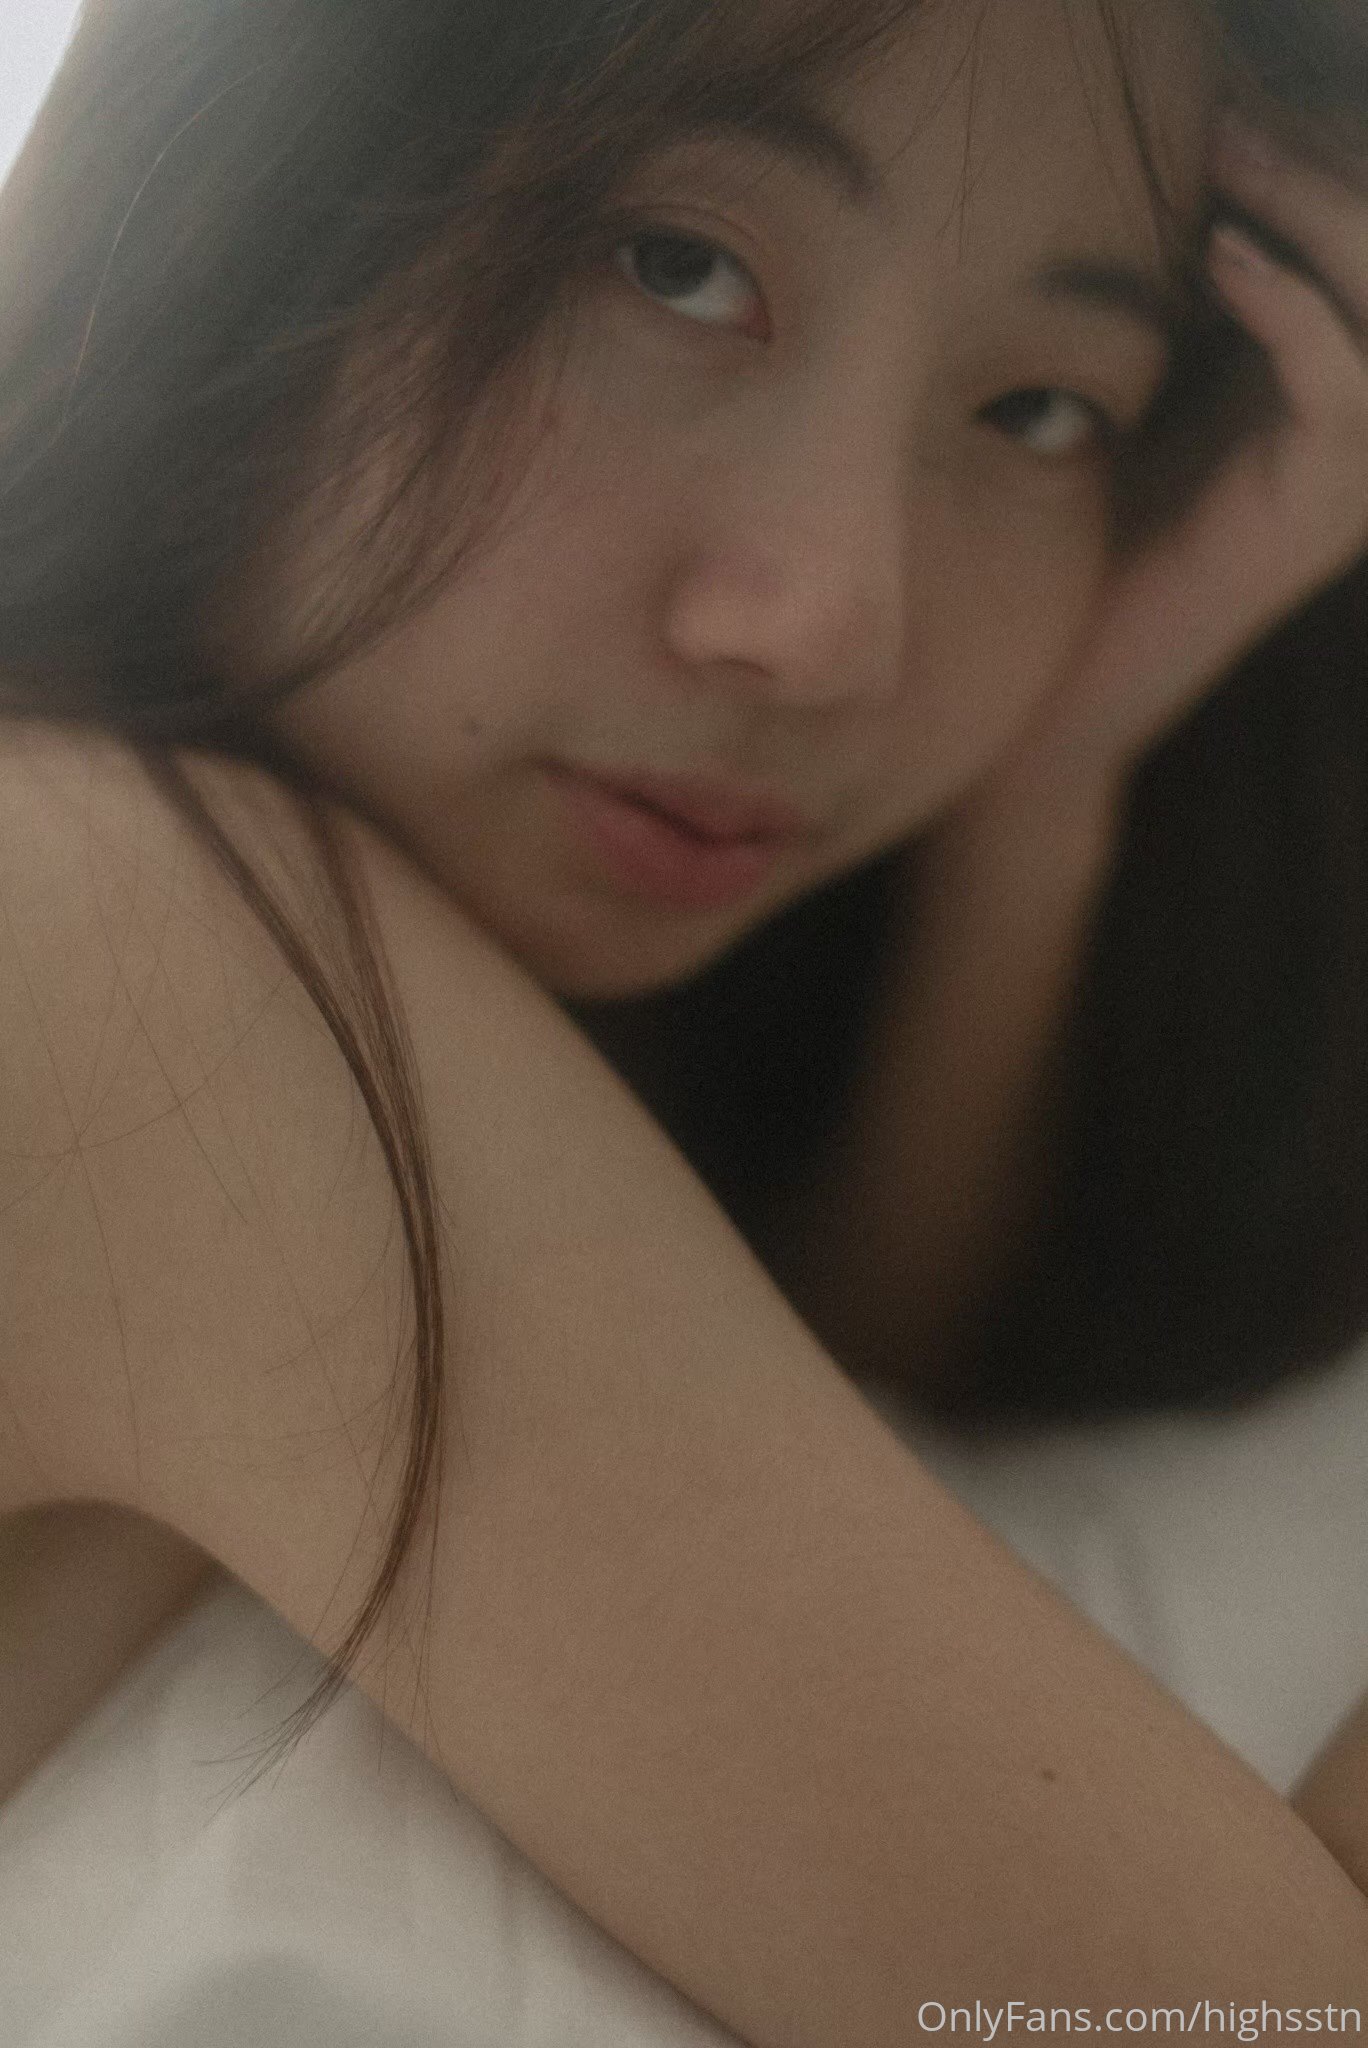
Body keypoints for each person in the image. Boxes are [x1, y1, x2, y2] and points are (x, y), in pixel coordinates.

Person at [2, 0, 1368, 2033]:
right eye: (675, 267)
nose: (832, 624)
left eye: (1041, 408)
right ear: (254, 183)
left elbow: (847, 1342)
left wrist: (1039, 790)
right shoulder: (101, 933)